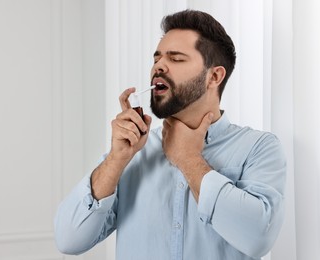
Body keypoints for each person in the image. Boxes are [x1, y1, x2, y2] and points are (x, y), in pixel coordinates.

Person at [54, 9, 286, 260]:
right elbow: (68, 239)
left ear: (215, 76)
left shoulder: (259, 148)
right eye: (156, 59)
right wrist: (116, 159)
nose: (158, 67)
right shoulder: (134, 152)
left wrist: (187, 158)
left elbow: (258, 238)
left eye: (175, 59)